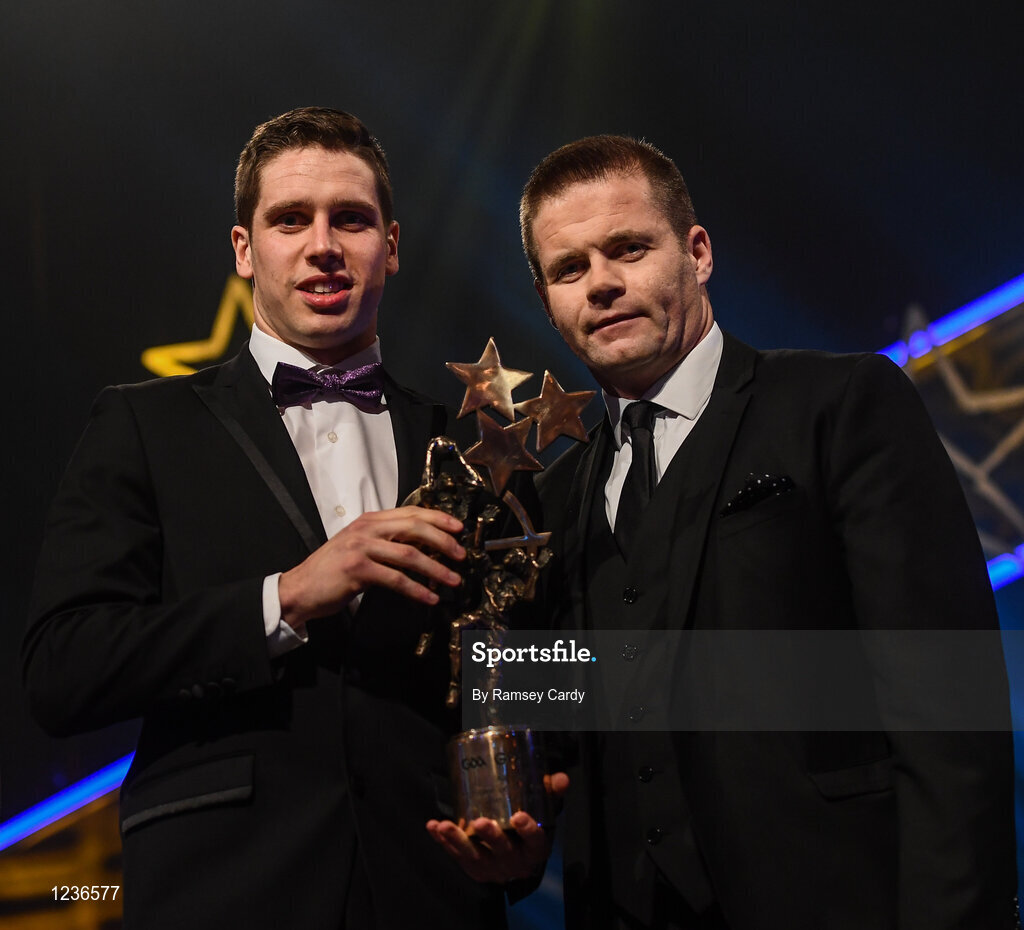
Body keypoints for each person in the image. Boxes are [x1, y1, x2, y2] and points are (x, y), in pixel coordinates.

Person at [435, 134, 1019, 929]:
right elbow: (565, 708)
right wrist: (515, 820)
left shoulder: (840, 405)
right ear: (546, 301)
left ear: (698, 252)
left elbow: (949, 703)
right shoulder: (553, 500)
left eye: (629, 249)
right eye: (570, 269)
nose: (602, 284)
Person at [22, 106, 515, 929]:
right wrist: (283, 598)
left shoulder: (466, 445)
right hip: (223, 890)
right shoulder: (144, 427)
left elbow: (522, 655)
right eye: (291, 219)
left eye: (350, 219)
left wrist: (533, 804)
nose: (323, 243)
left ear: (390, 246)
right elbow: (62, 670)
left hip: (434, 894)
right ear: (245, 250)